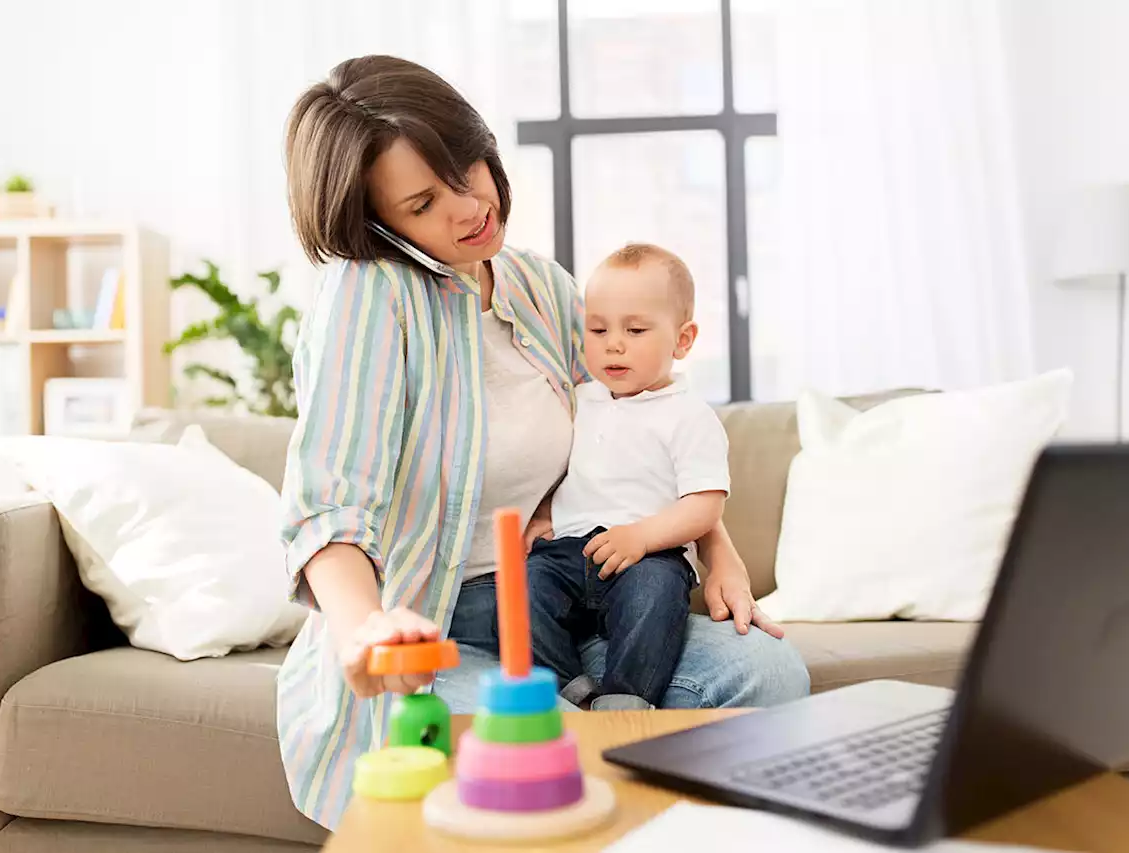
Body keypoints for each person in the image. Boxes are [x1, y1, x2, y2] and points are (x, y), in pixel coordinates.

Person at [276, 53, 810, 831]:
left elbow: (630, 423)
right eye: (425, 202)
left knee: (766, 673)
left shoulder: (539, 284)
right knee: (543, 752)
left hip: (564, 600)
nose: (469, 208)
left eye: (467, 167)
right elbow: (326, 505)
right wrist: (369, 628)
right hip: (441, 632)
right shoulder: (368, 295)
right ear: (378, 223)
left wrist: (717, 546)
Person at [528, 243, 729, 711]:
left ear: (683, 340)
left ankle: (625, 700)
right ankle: (574, 692)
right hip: (569, 549)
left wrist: (640, 537)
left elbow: (704, 505)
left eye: (635, 330)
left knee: (655, 597)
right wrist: (542, 514)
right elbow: (554, 466)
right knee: (520, 591)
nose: (613, 343)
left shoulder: (689, 415)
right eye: (597, 329)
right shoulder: (580, 400)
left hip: (648, 555)